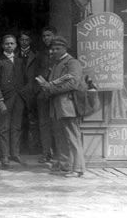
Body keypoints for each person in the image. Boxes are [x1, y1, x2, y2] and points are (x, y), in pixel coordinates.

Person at [37, 36, 85, 178]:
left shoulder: (72, 62)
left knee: (72, 137)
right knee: (61, 138)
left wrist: (50, 88)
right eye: (52, 49)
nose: (54, 51)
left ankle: (77, 168)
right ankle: (66, 166)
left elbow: (73, 84)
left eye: (57, 48)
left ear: (65, 48)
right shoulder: (57, 63)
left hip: (68, 106)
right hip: (57, 107)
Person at [0, 34, 25, 168]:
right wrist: (0, 100)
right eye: (7, 44)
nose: (9, 46)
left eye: (12, 43)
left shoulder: (20, 61)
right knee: (4, 127)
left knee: (16, 127)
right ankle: (4, 155)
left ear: (16, 45)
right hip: (5, 99)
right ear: (2, 46)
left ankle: (15, 153)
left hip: (18, 99)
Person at [35, 25, 57, 163]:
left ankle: (58, 154)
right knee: (44, 124)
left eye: (48, 35)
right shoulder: (41, 53)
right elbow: (36, 71)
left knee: (57, 123)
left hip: (57, 92)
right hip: (43, 92)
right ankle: (46, 152)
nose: (46, 38)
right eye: (44, 36)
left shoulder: (62, 52)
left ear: (54, 36)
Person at [18, 30, 40, 154]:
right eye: (22, 40)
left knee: (32, 121)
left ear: (30, 41)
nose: (24, 42)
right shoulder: (15, 55)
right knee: (19, 121)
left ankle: (32, 148)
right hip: (18, 92)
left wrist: (34, 88)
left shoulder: (36, 55)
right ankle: (20, 148)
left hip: (31, 92)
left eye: (26, 40)